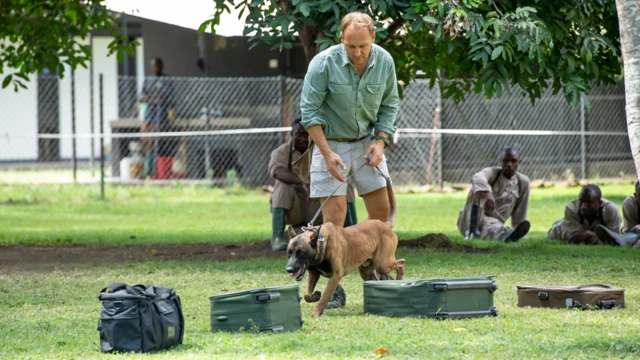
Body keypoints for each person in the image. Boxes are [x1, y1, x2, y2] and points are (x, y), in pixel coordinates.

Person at [300, 12, 399, 310]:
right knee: (332, 222)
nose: (357, 53)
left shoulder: (384, 61)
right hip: (329, 143)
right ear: (341, 39)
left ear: (373, 39)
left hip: (368, 142)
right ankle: (336, 288)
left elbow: (390, 103)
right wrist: (327, 153)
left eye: (363, 47)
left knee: (381, 217)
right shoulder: (323, 63)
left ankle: (377, 279)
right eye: (351, 46)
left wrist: (380, 141)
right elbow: (309, 112)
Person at [269, 119, 358, 251]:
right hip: (297, 206)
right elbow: (277, 171)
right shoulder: (282, 151)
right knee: (282, 186)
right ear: (292, 134)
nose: (303, 138)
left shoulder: (325, 150)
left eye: (307, 134)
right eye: (298, 134)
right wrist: (303, 182)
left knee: (345, 185)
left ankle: (351, 233)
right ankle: (277, 237)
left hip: (321, 206)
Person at [457, 146, 531, 242]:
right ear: (501, 161)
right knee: (476, 189)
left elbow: (520, 212)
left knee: (495, 229)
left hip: (494, 222)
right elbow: (477, 177)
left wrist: (519, 228)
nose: (509, 164)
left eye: (513, 161)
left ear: (519, 162)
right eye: (505, 161)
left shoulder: (522, 182)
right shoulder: (493, 173)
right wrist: (487, 192)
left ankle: (506, 235)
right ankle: (472, 232)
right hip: (470, 219)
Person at [548, 184, 621, 245]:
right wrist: (596, 237)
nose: (583, 206)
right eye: (581, 201)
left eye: (589, 203)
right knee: (554, 233)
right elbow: (575, 238)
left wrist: (587, 234)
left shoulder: (611, 209)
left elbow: (614, 238)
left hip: (586, 226)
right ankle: (562, 221)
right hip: (564, 228)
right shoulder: (571, 209)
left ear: (600, 203)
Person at [138, 57, 174, 179]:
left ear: (162, 66)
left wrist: (151, 98)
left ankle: (155, 170)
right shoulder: (148, 80)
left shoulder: (166, 79)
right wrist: (154, 99)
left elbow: (164, 96)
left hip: (160, 116)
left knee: (156, 142)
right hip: (148, 115)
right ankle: (148, 169)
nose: (155, 68)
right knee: (146, 141)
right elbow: (141, 97)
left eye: (157, 65)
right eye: (153, 65)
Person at [594, 181, 640, 246]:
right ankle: (621, 240)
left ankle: (621, 240)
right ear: (635, 195)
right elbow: (630, 229)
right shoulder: (630, 203)